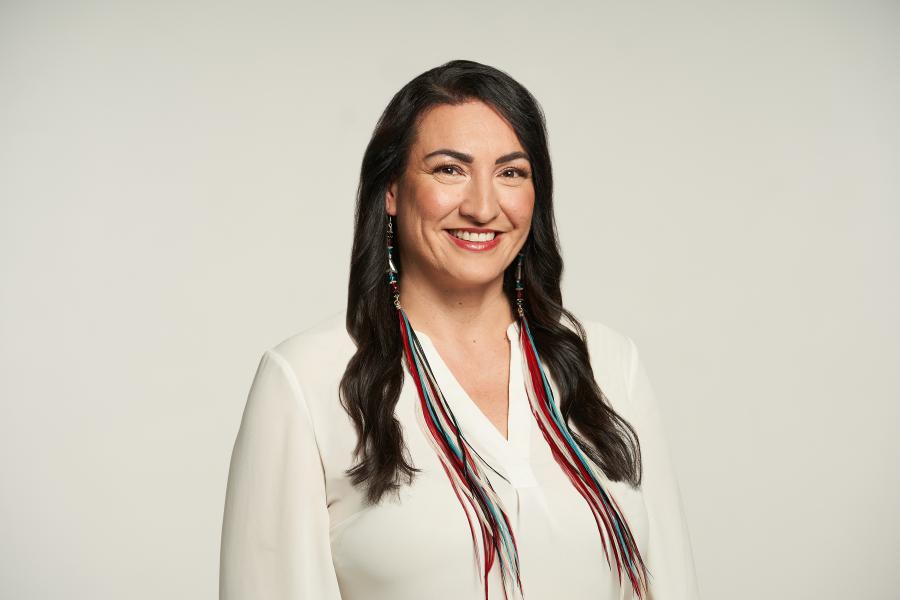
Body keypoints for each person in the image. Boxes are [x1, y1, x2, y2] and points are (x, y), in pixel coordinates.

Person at [219, 59, 700, 600]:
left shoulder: (609, 364)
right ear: (392, 191)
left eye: (511, 173)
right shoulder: (306, 381)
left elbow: (670, 584)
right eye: (449, 169)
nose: (482, 206)